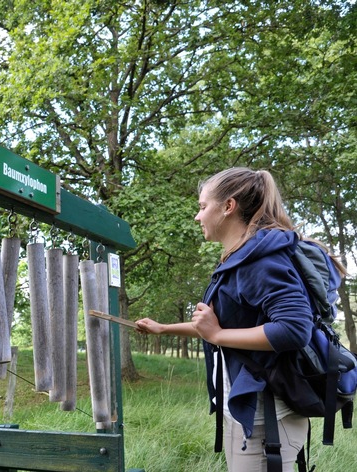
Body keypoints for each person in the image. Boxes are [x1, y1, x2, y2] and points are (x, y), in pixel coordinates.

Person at [136, 167, 346, 471]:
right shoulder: (242, 258)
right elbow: (220, 326)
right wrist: (163, 328)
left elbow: (293, 329)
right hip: (251, 412)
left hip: (268, 420)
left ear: (228, 206)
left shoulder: (260, 261)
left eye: (203, 206)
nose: (198, 216)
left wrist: (218, 336)